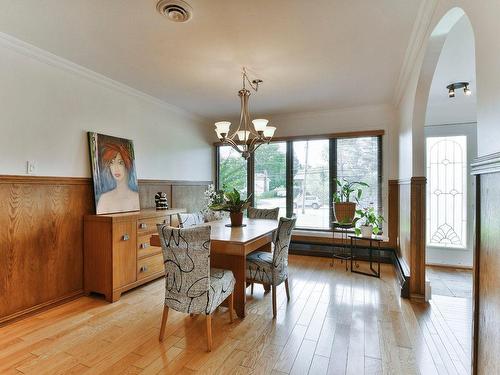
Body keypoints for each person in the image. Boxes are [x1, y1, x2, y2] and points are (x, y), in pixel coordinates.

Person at [96, 142, 140, 214]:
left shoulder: (135, 198)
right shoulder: (104, 199)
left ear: (127, 165)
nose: (116, 168)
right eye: (112, 163)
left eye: (120, 163)